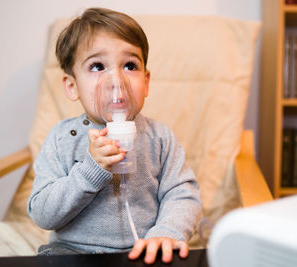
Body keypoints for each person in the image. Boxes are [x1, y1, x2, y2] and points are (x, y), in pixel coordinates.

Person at [27, 7, 202, 264]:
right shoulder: (62, 139)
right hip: (72, 253)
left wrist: (167, 233)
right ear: (72, 86)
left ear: (146, 81)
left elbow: (183, 194)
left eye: (130, 65)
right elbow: (42, 213)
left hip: (143, 251)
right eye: (97, 66)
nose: (116, 80)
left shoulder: (159, 138)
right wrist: (89, 171)